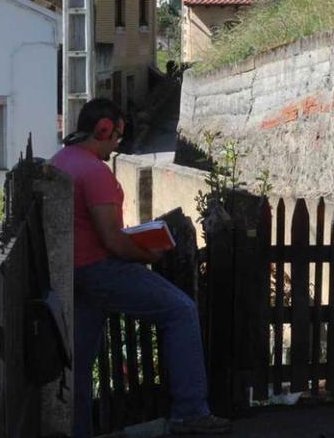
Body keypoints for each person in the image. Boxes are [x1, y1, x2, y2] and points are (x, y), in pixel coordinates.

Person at [50, 98, 231, 437]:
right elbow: (112, 240)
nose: (119, 142)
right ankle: (190, 413)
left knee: (79, 362)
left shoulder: (61, 161)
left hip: (71, 274)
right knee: (181, 311)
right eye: (117, 134)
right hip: (99, 270)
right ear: (103, 129)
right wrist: (146, 254)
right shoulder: (93, 171)